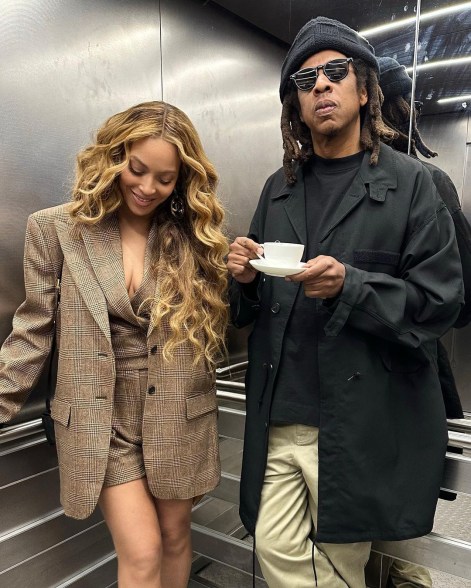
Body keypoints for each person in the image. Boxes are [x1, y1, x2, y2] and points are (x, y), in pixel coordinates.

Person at [227, 16, 464, 588]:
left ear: (364, 91)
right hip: (280, 411)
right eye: (305, 80)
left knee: (342, 557)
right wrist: (245, 278)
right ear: (296, 106)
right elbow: (250, 311)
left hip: (363, 419)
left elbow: (440, 303)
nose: (321, 86)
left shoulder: (413, 185)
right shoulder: (277, 186)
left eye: (336, 73)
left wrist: (351, 285)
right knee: (277, 546)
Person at [0, 101, 228, 588]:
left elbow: (221, 322)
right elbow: (33, 329)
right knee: (142, 552)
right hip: (100, 418)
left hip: (176, 412)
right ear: (114, 154)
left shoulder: (192, 238)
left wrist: (243, 270)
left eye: (164, 179)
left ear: (182, 179)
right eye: (137, 169)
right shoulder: (55, 230)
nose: (147, 188)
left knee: (174, 533)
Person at [362, 55, 471, 588]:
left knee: (382, 542)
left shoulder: (418, 183)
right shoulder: (431, 181)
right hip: (405, 384)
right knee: (393, 542)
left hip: (366, 390)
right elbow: (462, 300)